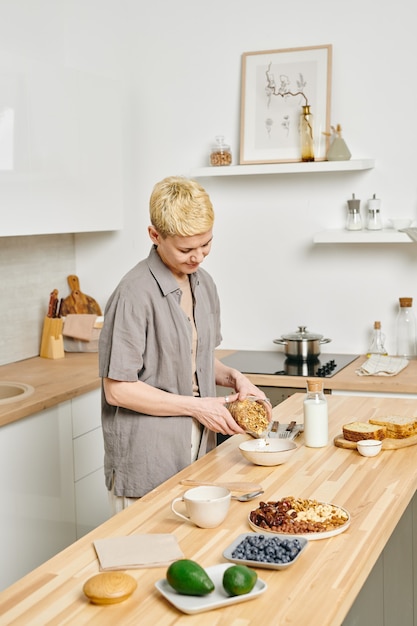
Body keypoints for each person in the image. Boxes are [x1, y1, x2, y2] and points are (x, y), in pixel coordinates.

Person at [98, 175, 271, 513]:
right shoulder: (132, 295)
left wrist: (236, 378)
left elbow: (198, 360)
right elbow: (117, 390)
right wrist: (198, 407)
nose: (199, 257)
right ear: (154, 235)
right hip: (147, 459)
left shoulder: (204, 285)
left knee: (189, 561)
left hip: (198, 453)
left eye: (206, 244)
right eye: (186, 249)